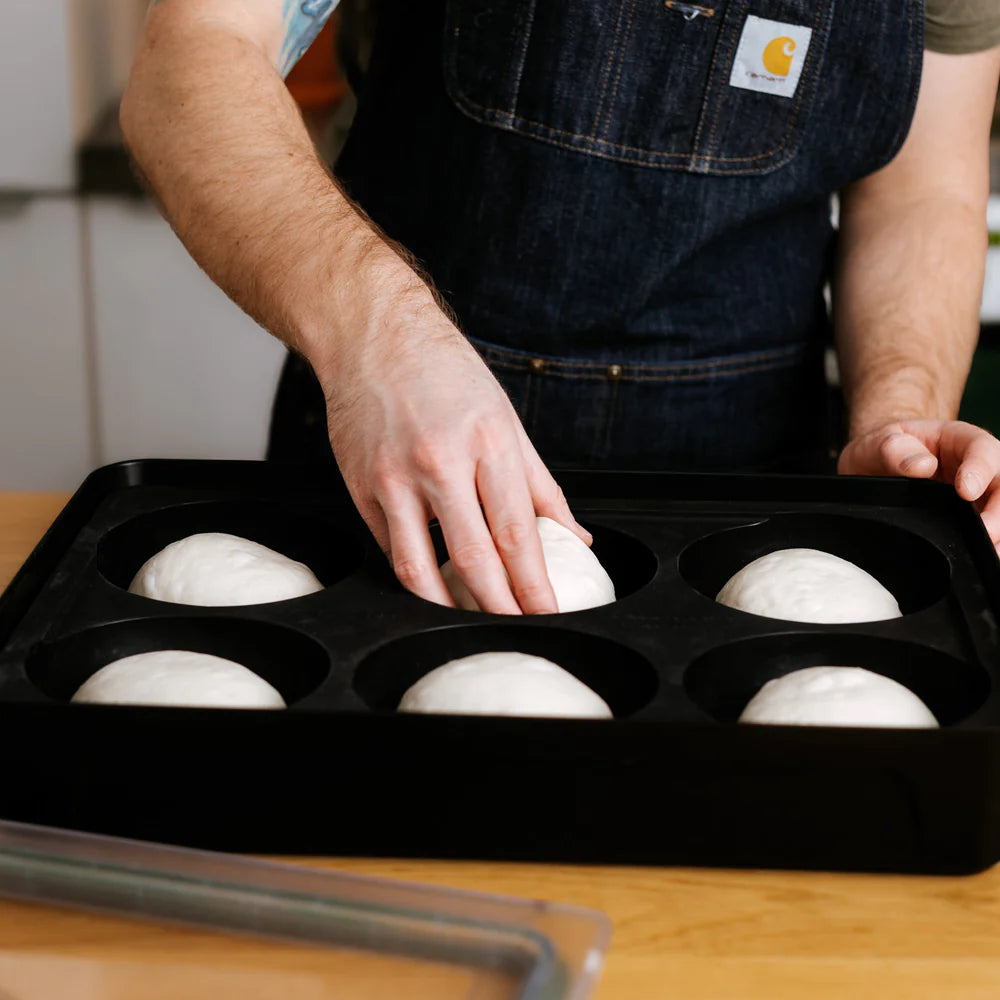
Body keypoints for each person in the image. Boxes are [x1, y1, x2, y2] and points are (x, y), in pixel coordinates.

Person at [122, 0, 1000, 614]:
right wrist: (383, 334)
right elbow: (193, 54)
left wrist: (901, 413)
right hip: (384, 455)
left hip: (754, 485)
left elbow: (923, 190)